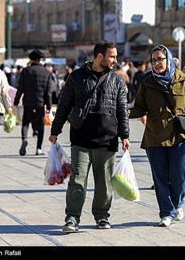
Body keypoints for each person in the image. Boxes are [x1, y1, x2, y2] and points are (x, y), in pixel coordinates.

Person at [49, 40, 130, 233]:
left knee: (104, 183)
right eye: (112, 56)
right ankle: (72, 217)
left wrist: (124, 135)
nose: (115, 60)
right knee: (77, 179)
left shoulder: (116, 80)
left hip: (107, 138)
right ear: (99, 56)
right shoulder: (76, 77)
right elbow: (64, 105)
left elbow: (122, 109)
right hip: (81, 138)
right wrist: (55, 130)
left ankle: (102, 215)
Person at [129, 45, 185, 227]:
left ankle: (178, 203)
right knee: (160, 177)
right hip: (154, 136)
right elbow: (139, 107)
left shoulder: (182, 80)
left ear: (169, 59)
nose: (157, 63)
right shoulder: (147, 83)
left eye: (160, 59)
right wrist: (121, 113)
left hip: (178, 135)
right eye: (154, 60)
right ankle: (166, 212)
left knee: (179, 174)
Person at [14, 50, 52, 156]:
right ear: (40, 59)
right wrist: (49, 105)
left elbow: (20, 88)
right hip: (40, 103)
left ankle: (24, 138)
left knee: (26, 122)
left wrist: (16, 101)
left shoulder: (26, 71)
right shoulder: (46, 72)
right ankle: (38, 148)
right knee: (40, 125)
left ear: (31, 59)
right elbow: (48, 92)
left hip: (28, 101)